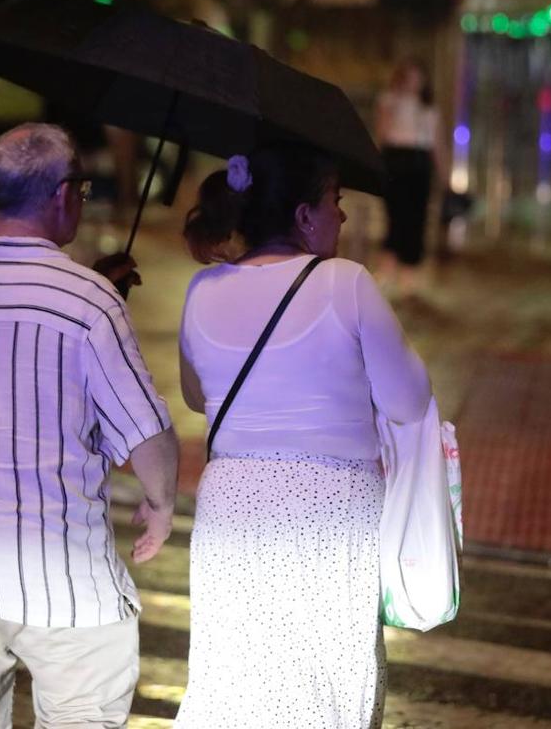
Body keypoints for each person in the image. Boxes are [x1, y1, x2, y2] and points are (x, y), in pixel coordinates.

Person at [0, 122, 179, 728]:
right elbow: (147, 435)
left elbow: (11, 370)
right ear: (63, 194)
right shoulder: (89, 305)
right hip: (62, 580)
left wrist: (95, 289)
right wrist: (161, 506)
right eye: (82, 190)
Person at [175, 145, 432, 728]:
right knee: (323, 688)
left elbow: (197, 396)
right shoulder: (347, 284)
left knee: (236, 684)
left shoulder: (202, 290)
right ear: (302, 215)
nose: (341, 216)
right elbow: (409, 400)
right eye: (334, 201)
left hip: (232, 509)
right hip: (328, 511)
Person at [375, 58, 442, 297]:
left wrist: (442, 172)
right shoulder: (389, 100)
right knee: (395, 213)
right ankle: (388, 267)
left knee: (417, 216)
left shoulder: (429, 108)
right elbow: (382, 133)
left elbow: (436, 142)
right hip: (396, 158)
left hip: (419, 160)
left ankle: (408, 273)